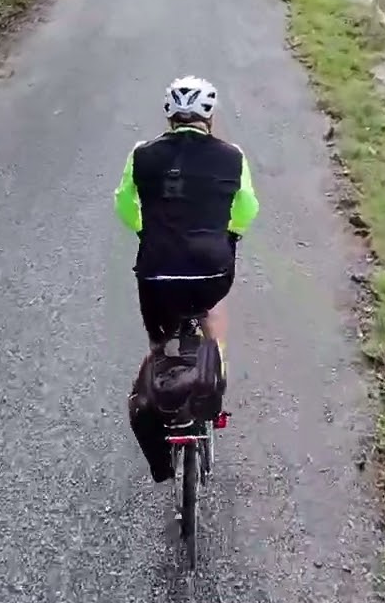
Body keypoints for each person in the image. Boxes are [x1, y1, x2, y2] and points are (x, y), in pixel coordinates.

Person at [115, 75, 259, 481]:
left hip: (156, 272)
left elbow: (124, 204)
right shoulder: (233, 156)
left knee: (160, 339)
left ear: (169, 114)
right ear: (209, 116)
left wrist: (145, 231)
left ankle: (164, 371)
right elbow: (247, 207)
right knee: (212, 307)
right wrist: (228, 234)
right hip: (211, 270)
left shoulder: (141, 155)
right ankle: (216, 373)